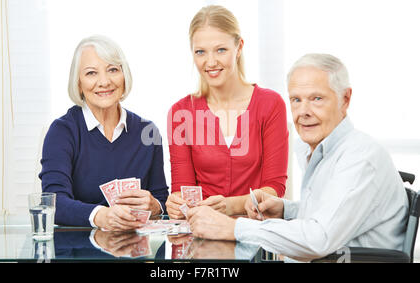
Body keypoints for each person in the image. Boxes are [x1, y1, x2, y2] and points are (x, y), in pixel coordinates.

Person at [186, 53, 409, 262]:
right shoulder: (325, 150)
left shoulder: (360, 157)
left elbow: (319, 238)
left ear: (345, 99)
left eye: (317, 98)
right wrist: (286, 210)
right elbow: (332, 212)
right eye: (296, 100)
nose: (303, 111)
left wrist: (233, 228)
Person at [166, 5, 289, 219]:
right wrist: (176, 203)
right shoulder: (181, 113)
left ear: (239, 47)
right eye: (200, 52)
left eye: (221, 50)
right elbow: (182, 189)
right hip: (203, 236)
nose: (211, 62)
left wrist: (230, 206)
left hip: (256, 235)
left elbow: (274, 189)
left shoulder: (270, 104)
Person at [39, 35, 169, 231]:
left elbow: (161, 199)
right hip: (78, 250)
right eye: (91, 73)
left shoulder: (148, 132)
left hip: (133, 251)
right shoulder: (62, 131)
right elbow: (54, 203)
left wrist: (155, 206)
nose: (104, 81)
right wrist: (101, 215)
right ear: (78, 83)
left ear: (124, 76)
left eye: (113, 70)